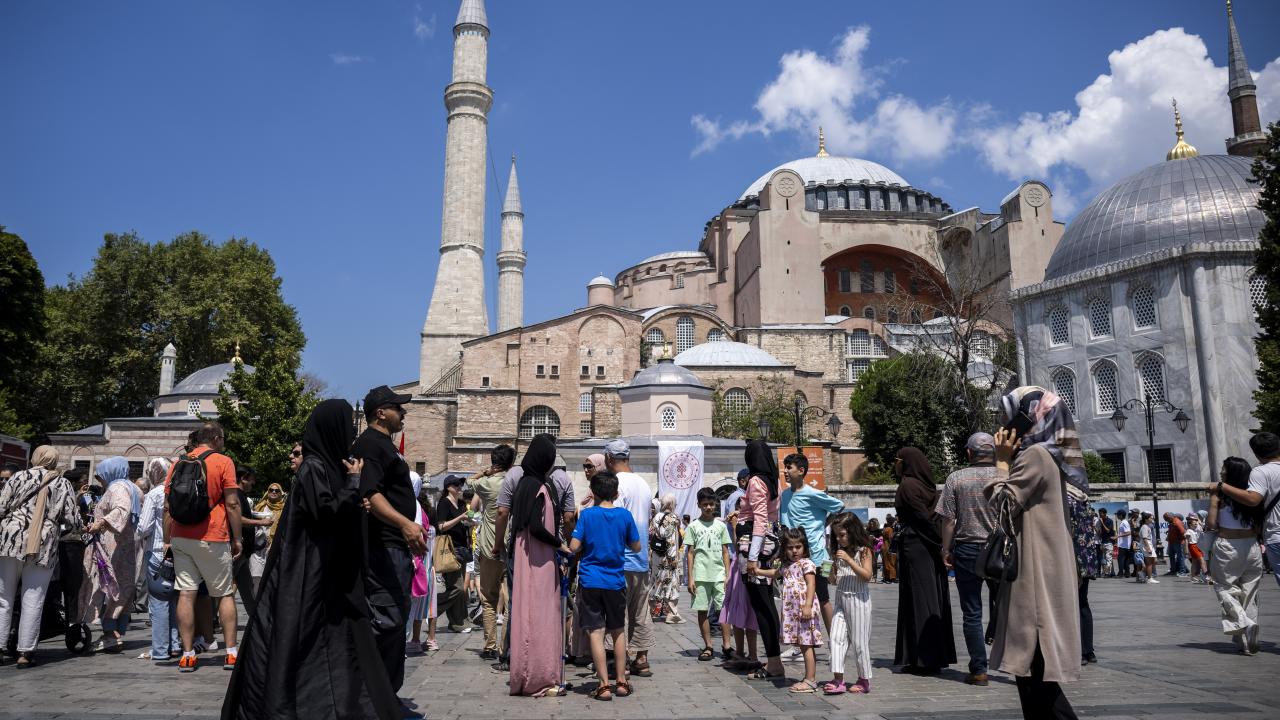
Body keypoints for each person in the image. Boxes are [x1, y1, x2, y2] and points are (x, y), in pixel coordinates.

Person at [221, 399, 401, 720]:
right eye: (346, 426)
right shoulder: (313, 467)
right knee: (297, 639)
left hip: (324, 571)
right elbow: (326, 512)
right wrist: (355, 484)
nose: (350, 434)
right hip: (305, 573)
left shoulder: (326, 465)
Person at [989, 387, 1083, 720]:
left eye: (1010, 415)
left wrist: (1000, 462)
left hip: (1035, 578)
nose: (1003, 423)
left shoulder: (1034, 457)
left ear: (1029, 417)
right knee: (1032, 678)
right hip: (1046, 570)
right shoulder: (1051, 455)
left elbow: (1001, 508)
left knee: (1035, 677)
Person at [353, 384, 424, 704]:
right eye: (398, 408)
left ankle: (385, 697)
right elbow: (371, 494)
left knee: (397, 619)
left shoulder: (384, 445)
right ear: (381, 413)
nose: (403, 412)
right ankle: (375, 697)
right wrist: (405, 524)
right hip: (383, 546)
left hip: (396, 545)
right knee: (388, 619)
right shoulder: (370, 444)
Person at [492, 436, 576, 671]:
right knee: (539, 604)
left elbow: (502, 513)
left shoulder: (519, 478)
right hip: (541, 552)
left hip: (520, 551)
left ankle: (513, 653)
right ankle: (536, 655)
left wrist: (499, 544)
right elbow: (543, 523)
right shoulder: (541, 484)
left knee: (518, 602)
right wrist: (562, 544)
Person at [164, 422, 243, 671]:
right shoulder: (223, 461)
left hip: (181, 536)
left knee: (186, 593)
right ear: (217, 438)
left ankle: (187, 654)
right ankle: (231, 653)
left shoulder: (179, 462)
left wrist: (168, 539)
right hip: (213, 536)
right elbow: (232, 503)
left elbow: (167, 505)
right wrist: (237, 538)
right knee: (224, 594)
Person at [0, 446, 81, 668]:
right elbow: (73, 519)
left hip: (11, 541)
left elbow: (1, 506)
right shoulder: (62, 483)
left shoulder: (17, 477)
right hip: (42, 546)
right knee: (33, 598)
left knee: (3, 597)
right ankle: (25, 652)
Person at [568, 469, 641, 700]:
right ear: (617, 492)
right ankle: (621, 681)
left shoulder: (587, 516)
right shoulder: (625, 516)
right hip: (615, 581)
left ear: (593, 492)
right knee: (618, 631)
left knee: (596, 633)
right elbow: (636, 546)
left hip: (590, 580)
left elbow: (574, 546)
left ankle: (603, 685)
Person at [937, 432, 1000, 686]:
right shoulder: (1005, 477)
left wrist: (945, 549)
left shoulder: (956, 478)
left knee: (972, 613)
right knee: (1009, 609)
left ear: (969, 454)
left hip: (967, 550)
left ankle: (979, 669)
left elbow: (948, 519)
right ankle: (1019, 666)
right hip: (1000, 551)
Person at [507, 434, 567, 696]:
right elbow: (536, 525)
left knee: (523, 612)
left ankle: (522, 674)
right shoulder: (539, 487)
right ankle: (539, 677)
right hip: (538, 558)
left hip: (524, 555)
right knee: (540, 615)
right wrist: (559, 544)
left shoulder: (523, 484)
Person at [891, 447, 956, 675]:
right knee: (931, 597)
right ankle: (931, 655)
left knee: (919, 599)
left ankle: (924, 657)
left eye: (897, 460)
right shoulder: (929, 487)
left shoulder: (908, 486)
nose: (895, 464)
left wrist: (937, 540)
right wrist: (942, 544)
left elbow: (922, 519)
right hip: (928, 547)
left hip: (916, 546)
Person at [604, 439, 655, 678]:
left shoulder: (616, 484)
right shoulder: (643, 483)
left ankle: (619, 661)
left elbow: (614, 521)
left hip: (619, 558)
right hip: (641, 557)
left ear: (609, 459)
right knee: (640, 610)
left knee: (617, 612)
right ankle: (642, 659)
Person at [779, 452, 844, 636]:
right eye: (785, 467)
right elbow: (785, 527)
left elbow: (839, 506)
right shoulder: (784, 495)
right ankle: (797, 641)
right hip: (794, 557)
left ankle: (835, 641)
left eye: (789, 467)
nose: (785, 471)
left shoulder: (813, 493)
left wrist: (823, 524)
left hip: (818, 557)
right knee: (794, 598)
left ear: (801, 470)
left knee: (823, 598)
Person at [81, 456, 141, 653]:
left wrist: (101, 523)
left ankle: (110, 633)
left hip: (114, 546)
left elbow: (121, 510)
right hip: (129, 545)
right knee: (122, 587)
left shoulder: (117, 488)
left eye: (101, 476)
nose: (100, 481)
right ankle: (114, 632)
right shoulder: (133, 487)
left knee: (108, 585)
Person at [752, 526, 822, 693]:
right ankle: (808, 678)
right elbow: (775, 573)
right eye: (790, 548)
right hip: (794, 612)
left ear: (804, 547)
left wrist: (807, 605)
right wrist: (758, 571)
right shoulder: (787, 565)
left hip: (804, 609)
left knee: (806, 644)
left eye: (798, 547)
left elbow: (811, 584)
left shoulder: (807, 563)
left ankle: (810, 679)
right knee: (802, 643)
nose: (794, 551)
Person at [1207, 456, 1264, 655]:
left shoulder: (1220, 495)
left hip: (1228, 545)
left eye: (1224, 468)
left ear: (1230, 472)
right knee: (1250, 592)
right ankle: (1245, 644)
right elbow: (1258, 526)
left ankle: (1245, 623)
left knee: (1225, 587)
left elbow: (1212, 524)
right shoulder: (1254, 495)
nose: (1221, 470)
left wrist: (1213, 501)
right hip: (1252, 546)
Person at [741, 437, 785, 680]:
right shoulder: (774, 479)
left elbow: (759, 519)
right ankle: (774, 659)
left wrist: (752, 558)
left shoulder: (756, 481)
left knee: (762, 605)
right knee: (766, 602)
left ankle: (774, 662)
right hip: (769, 542)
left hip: (754, 545)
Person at [1216, 432, 1280, 590]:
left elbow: (1252, 499)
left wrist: (1221, 486)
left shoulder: (1261, 472)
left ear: (1255, 452)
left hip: (1276, 535)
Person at [472, 444, 514, 659]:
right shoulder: (514, 482)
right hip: (512, 546)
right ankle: (506, 646)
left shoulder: (486, 483)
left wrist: (485, 471)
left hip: (490, 546)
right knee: (510, 601)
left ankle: (489, 646)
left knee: (488, 598)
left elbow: (470, 482)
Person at [824, 513, 873, 696]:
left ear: (853, 532)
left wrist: (850, 560)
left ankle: (864, 679)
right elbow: (834, 579)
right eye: (836, 535)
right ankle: (838, 678)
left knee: (860, 642)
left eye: (842, 534)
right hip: (841, 598)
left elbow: (867, 576)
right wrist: (828, 571)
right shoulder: (838, 553)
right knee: (835, 637)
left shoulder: (864, 550)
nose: (839, 539)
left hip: (859, 600)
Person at [684, 487, 732, 661]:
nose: (708, 508)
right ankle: (708, 645)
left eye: (711, 504)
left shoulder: (721, 526)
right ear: (699, 505)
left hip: (719, 574)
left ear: (715, 505)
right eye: (705, 504)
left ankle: (727, 646)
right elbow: (690, 553)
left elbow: (725, 551)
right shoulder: (693, 526)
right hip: (701, 575)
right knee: (702, 610)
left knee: (724, 610)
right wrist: (690, 577)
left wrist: (728, 574)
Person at [137, 458, 177, 661]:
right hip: (179, 552)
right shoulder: (178, 492)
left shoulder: (154, 495)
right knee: (175, 600)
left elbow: (144, 528)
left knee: (160, 602)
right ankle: (176, 644)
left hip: (158, 552)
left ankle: (160, 649)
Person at [720, 495, 760, 670]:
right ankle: (739, 652)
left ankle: (752, 654)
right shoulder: (740, 523)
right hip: (737, 568)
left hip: (748, 569)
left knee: (749, 611)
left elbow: (740, 547)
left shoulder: (755, 524)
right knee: (735, 611)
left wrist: (736, 526)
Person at [435, 475, 474, 632]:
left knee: (459, 588)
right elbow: (442, 526)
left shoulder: (461, 503)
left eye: (461, 484)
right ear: (448, 487)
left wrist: (470, 521)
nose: (460, 487)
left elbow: (464, 522)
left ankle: (458, 622)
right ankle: (432, 609)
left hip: (462, 548)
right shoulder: (444, 503)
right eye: (457, 484)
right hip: (449, 549)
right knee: (457, 587)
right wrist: (460, 518)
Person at [230, 465, 271, 614]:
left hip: (244, 551)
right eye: (251, 481)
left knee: (248, 590)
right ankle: (210, 621)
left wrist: (257, 516)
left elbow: (244, 515)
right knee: (224, 591)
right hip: (236, 550)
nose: (252, 485)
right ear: (243, 479)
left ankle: (255, 620)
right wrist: (262, 522)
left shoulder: (240, 495)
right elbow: (237, 519)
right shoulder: (235, 494)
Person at [407, 472, 438, 654]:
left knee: (413, 607)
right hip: (422, 565)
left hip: (416, 564)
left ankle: (413, 640)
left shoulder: (414, 507)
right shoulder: (417, 508)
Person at [650, 494, 684, 624]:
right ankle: (672, 614)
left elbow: (654, 533)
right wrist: (673, 558)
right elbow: (672, 540)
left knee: (656, 581)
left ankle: (651, 610)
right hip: (668, 557)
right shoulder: (673, 518)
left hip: (656, 554)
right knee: (672, 584)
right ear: (671, 504)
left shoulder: (656, 516)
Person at [1185, 513, 1209, 584]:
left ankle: (1192, 577)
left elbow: (1203, 529)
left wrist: (1199, 523)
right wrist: (1186, 549)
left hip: (1197, 545)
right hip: (1193, 546)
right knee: (1201, 560)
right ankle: (1206, 575)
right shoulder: (1189, 531)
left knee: (1195, 562)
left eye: (1196, 523)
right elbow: (1186, 540)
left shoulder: (1196, 529)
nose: (1196, 524)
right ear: (1190, 525)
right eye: (1194, 524)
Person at [1163, 512, 1187, 577]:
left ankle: (1183, 572)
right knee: (1171, 556)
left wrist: (1179, 540)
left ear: (1170, 517)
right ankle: (1173, 571)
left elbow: (1183, 532)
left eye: (1166, 519)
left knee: (1180, 557)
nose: (1166, 520)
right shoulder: (1171, 522)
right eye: (1165, 519)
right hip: (1172, 542)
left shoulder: (1177, 522)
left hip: (1177, 542)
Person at [1137, 513, 1158, 584]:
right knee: (1149, 562)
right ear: (1146, 519)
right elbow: (1144, 538)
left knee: (1154, 560)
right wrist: (1148, 547)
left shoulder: (1147, 526)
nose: (1152, 519)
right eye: (1150, 518)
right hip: (1146, 544)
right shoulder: (1145, 527)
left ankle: (1142, 572)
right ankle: (1149, 578)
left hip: (1149, 543)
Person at [1096, 509, 1116, 578]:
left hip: (1109, 542)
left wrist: (1102, 523)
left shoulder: (1109, 521)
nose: (1100, 515)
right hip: (1103, 542)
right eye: (1099, 513)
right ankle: (1110, 572)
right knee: (1105, 559)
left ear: (1105, 513)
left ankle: (1107, 573)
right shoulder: (1100, 521)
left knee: (1108, 558)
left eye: (1101, 513)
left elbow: (1108, 530)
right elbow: (1100, 533)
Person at [1116, 509, 1134, 578]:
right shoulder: (1124, 522)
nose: (1117, 516)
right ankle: (1127, 573)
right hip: (1126, 544)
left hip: (1123, 545)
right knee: (1126, 559)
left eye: (1117, 515)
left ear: (1120, 515)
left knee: (1120, 559)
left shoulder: (1124, 523)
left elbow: (1128, 532)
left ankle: (1121, 573)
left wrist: (1118, 536)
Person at [881, 515, 897, 583]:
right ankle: (891, 578)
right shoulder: (890, 529)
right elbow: (891, 539)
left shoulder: (885, 529)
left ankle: (886, 577)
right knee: (891, 563)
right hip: (888, 547)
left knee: (885, 563)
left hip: (884, 547)